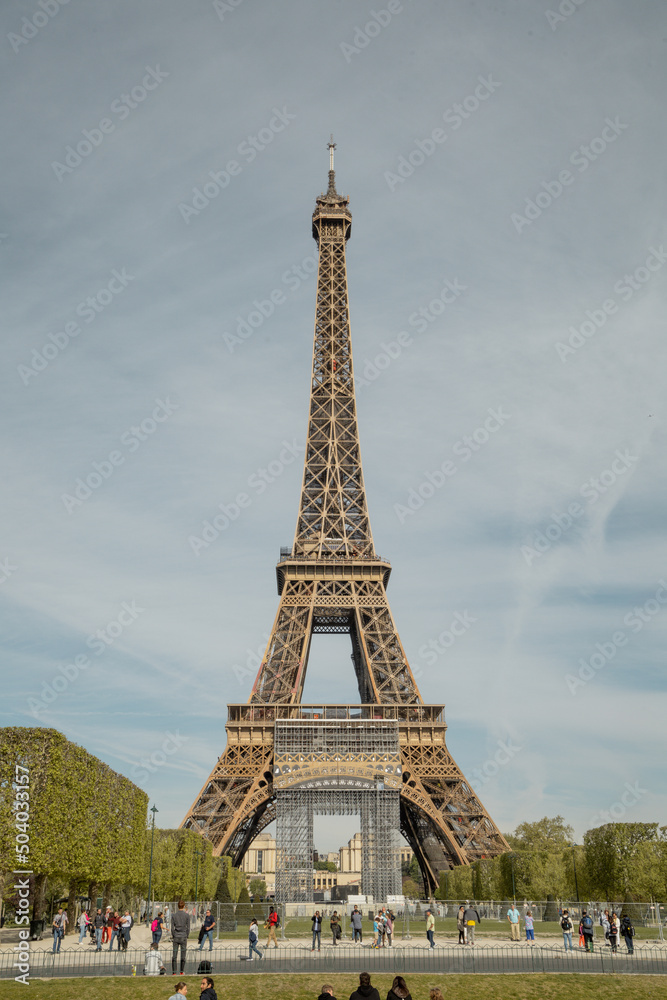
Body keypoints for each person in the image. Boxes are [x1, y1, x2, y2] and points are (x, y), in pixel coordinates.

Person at [171, 899, 191, 975]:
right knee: (183, 955)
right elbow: (188, 927)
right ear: (184, 906)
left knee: (174, 955)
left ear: (178, 906)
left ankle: (174, 972)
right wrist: (186, 935)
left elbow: (172, 928)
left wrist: (173, 935)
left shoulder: (174, 915)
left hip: (176, 935)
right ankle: (181, 971)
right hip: (183, 936)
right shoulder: (186, 915)